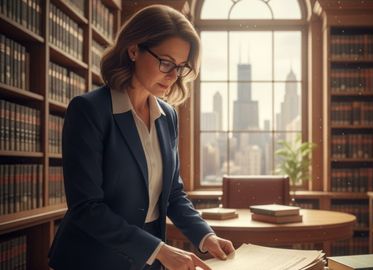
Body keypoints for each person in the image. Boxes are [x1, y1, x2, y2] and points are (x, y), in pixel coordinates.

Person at [48, 4, 235, 270]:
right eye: (166, 62)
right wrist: (159, 250)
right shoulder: (89, 110)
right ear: (133, 49)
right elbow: (86, 207)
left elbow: (172, 194)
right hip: (91, 259)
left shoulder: (167, 116)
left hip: (147, 261)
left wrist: (206, 236)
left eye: (180, 67)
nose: (173, 76)